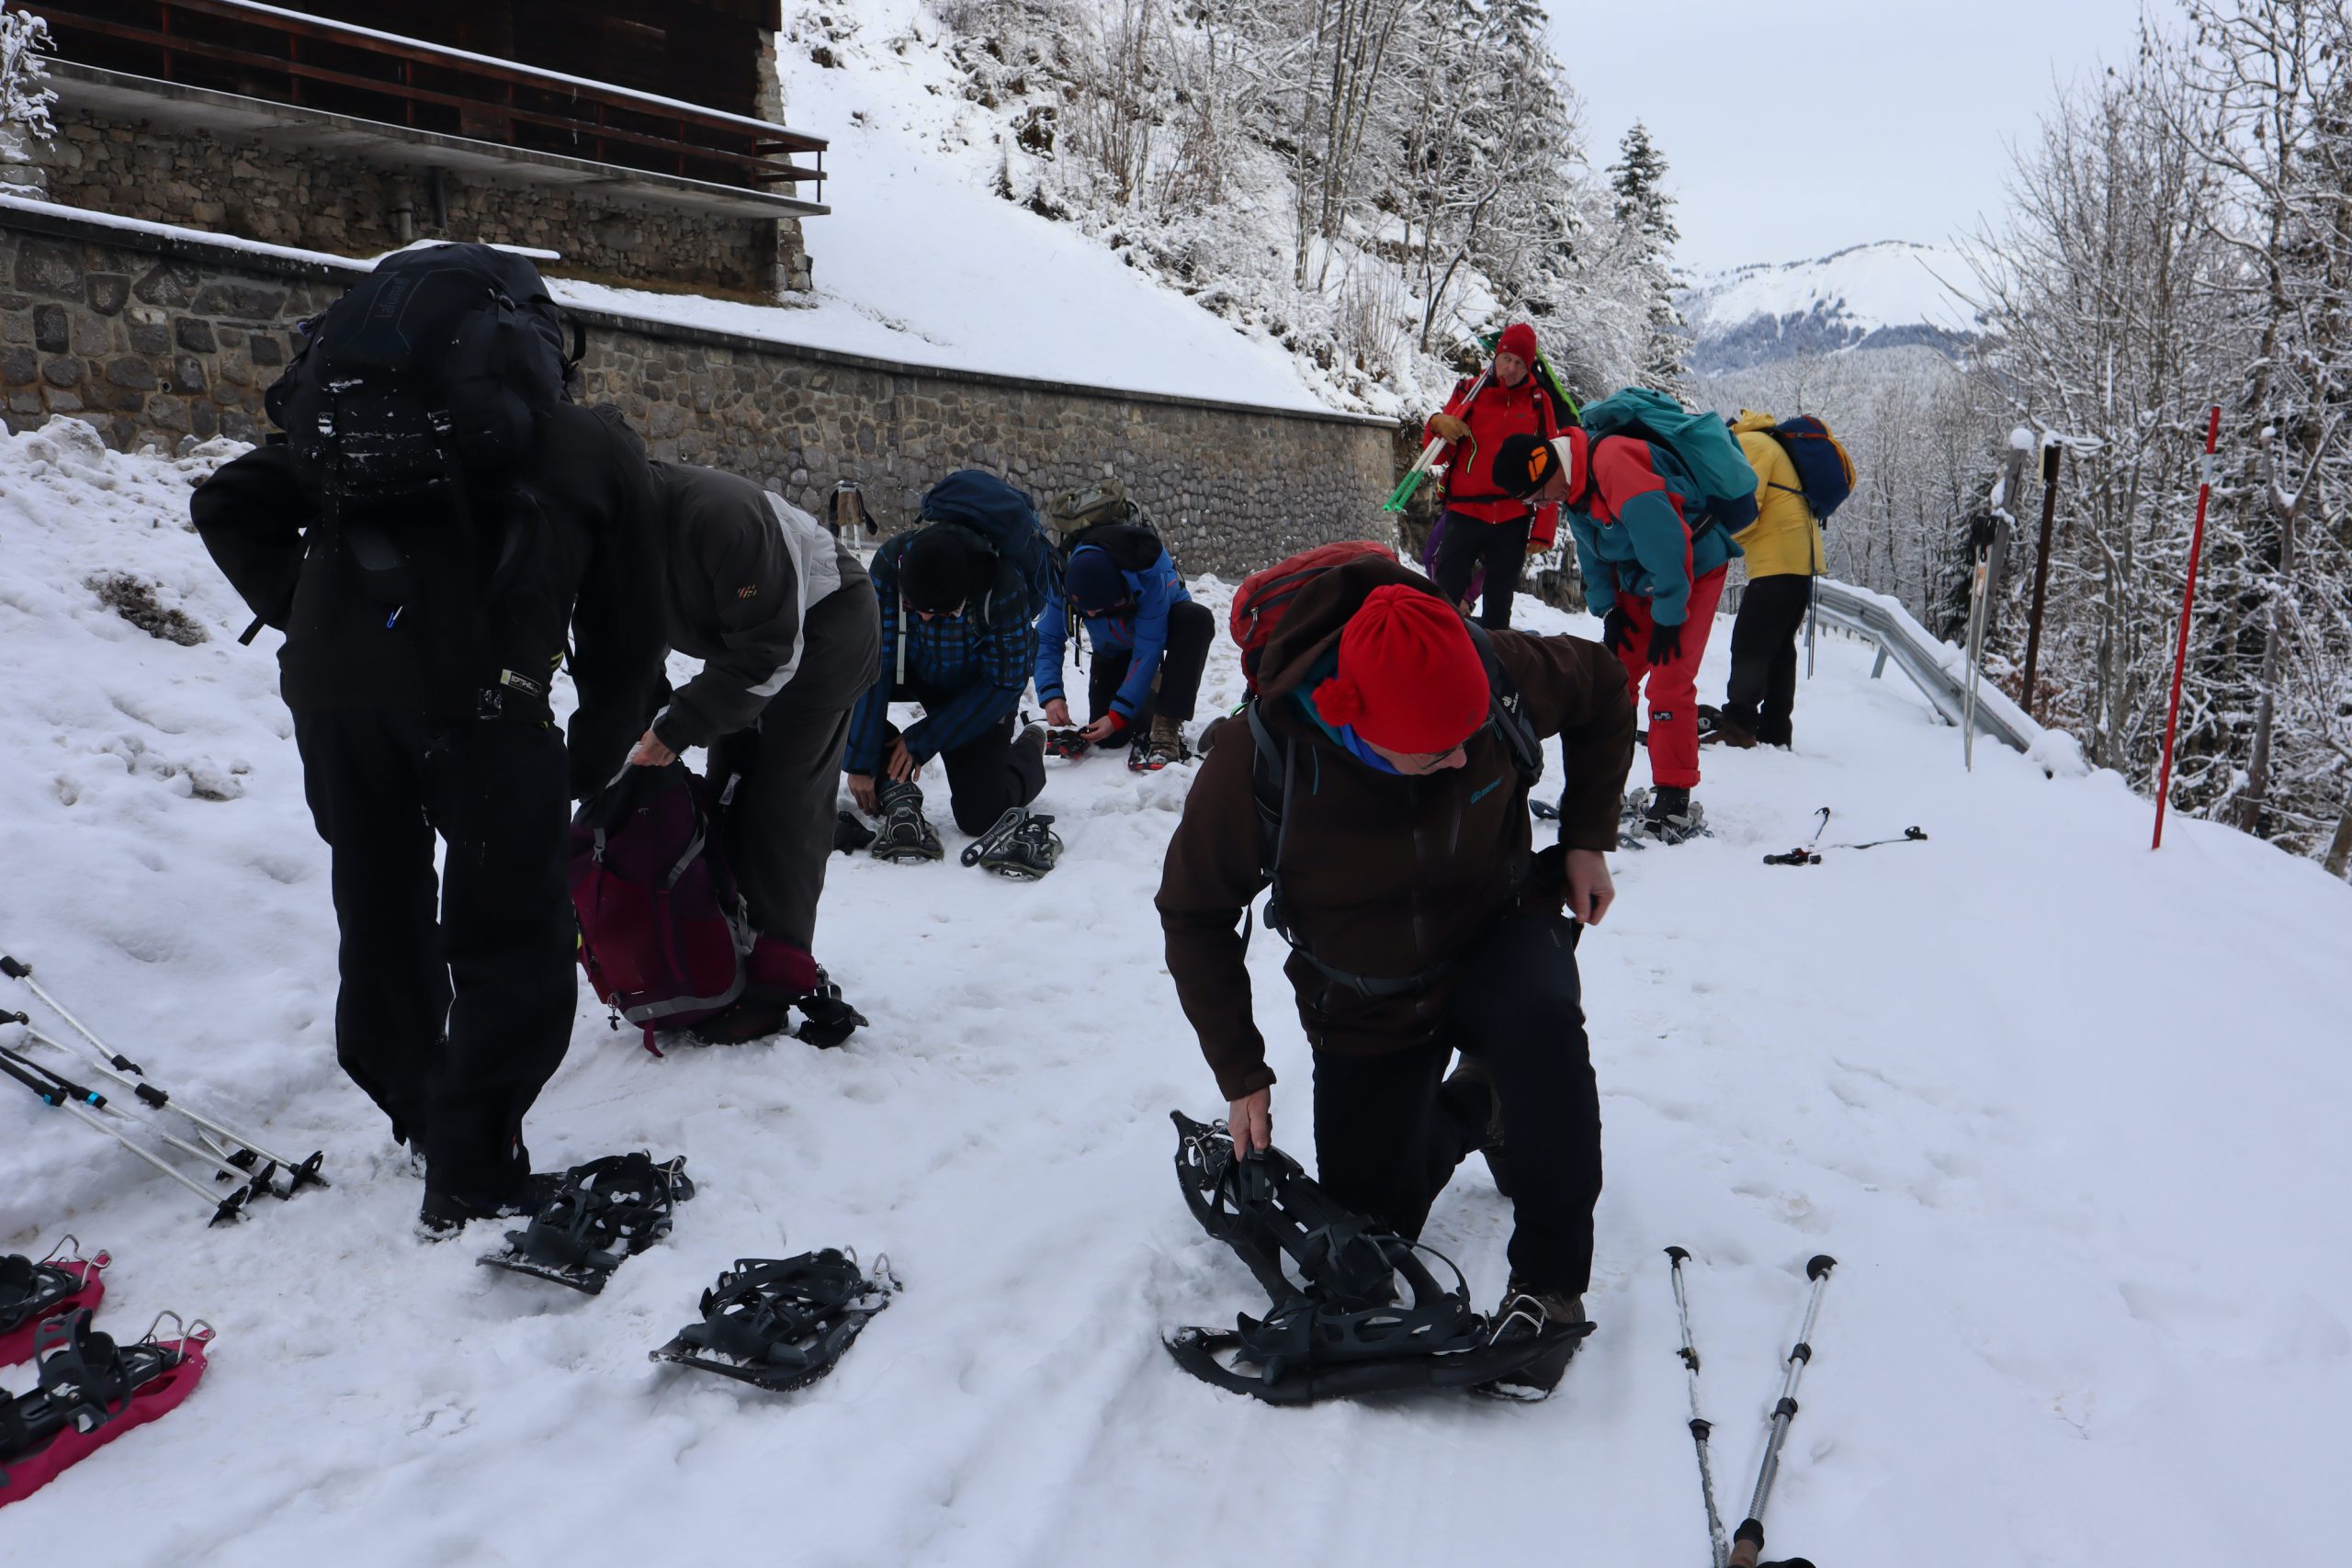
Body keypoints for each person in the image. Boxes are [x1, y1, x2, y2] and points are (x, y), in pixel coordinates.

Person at [1156, 558, 1634, 1393]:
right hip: (1366, 996)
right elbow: (1192, 913)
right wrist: (1241, 1069)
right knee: (1371, 1240)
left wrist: (1589, 833)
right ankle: (1479, 1103)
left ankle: (1551, 1287)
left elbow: (1601, 683)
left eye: (1468, 738)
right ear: (1352, 720)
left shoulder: (1491, 669)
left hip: (1496, 931)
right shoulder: (1258, 758)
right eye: (1433, 751)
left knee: (1544, 1028)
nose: (1459, 761)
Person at [192, 400, 666, 1235]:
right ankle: (473, 1168)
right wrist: (589, 761)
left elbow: (225, 502)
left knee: (378, 899)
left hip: (334, 700)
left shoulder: (368, 419)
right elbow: (627, 628)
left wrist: (308, 610)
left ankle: (418, 1109)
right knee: (512, 929)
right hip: (482, 703)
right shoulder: (589, 443)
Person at [619, 458, 881, 1045]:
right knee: (728, 791)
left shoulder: (721, 516)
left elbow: (770, 652)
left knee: (781, 808)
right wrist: (639, 723)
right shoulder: (617, 535)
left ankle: (774, 979)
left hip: (829, 632)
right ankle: (719, 956)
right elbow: (634, 643)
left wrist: (677, 726)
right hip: (750, 646)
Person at [1490, 426, 1741, 840]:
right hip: (1645, 577)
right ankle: (1605, 789)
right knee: (1612, 678)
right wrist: (1610, 609)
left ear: (1544, 465)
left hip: (1693, 567)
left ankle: (1674, 796)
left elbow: (1667, 542)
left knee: (1669, 681)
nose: (1541, 504)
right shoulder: (1572, 485)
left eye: (1536, 495)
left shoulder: (1613, 465)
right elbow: (1592, 550)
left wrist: (1668, 617)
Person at [844, 509, 1051, 871]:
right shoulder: (891, 564)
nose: (923, 619)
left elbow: (1005, 684)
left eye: (939, 615)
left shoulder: (1004, 588)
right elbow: (873, 659)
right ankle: (895, 787)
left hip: (977, 689)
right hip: (912, 667)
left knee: (980, 816)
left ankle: (1029, 748)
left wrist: (925, 737)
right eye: (913, 608)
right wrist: (862, 759)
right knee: (829, 680)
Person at [1035, 522, 1215, 772]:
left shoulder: (1147, 572)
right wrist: (1051, 694)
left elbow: (1148, 647)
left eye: (1097, 608)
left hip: (1163, 630)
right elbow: (1047, 638)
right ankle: (1150, 691)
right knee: (1110, 737)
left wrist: (1119, 714)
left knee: (1196, 619)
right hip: (1112, 647)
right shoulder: (1063, 577)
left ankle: (1167, 720)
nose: (1089, 614)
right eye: (1083, 609)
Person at [1421, 321, 1562, 629]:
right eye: (1506, 359)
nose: (1510, 369)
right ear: (1496, 356)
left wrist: (1544, 527)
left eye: (1519, 363)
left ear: (1530, 367)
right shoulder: (1468, 393)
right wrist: (1435, 424)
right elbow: (1439, 454)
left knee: (1499, 605)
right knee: (1444, 598)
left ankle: (1490, 668)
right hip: (1465, 511)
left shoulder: (1539, 403)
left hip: (1512, 517)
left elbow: (1553, 466)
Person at [1715, 412, 1825, 750]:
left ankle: (1739, 724)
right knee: (1777, 649)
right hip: (1796, 561)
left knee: (1749, 644)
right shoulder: (1768, 442)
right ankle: (1776, 730)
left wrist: (1715, 537)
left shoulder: (1751, 444)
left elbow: (1748, 507)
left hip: (1778, 562)